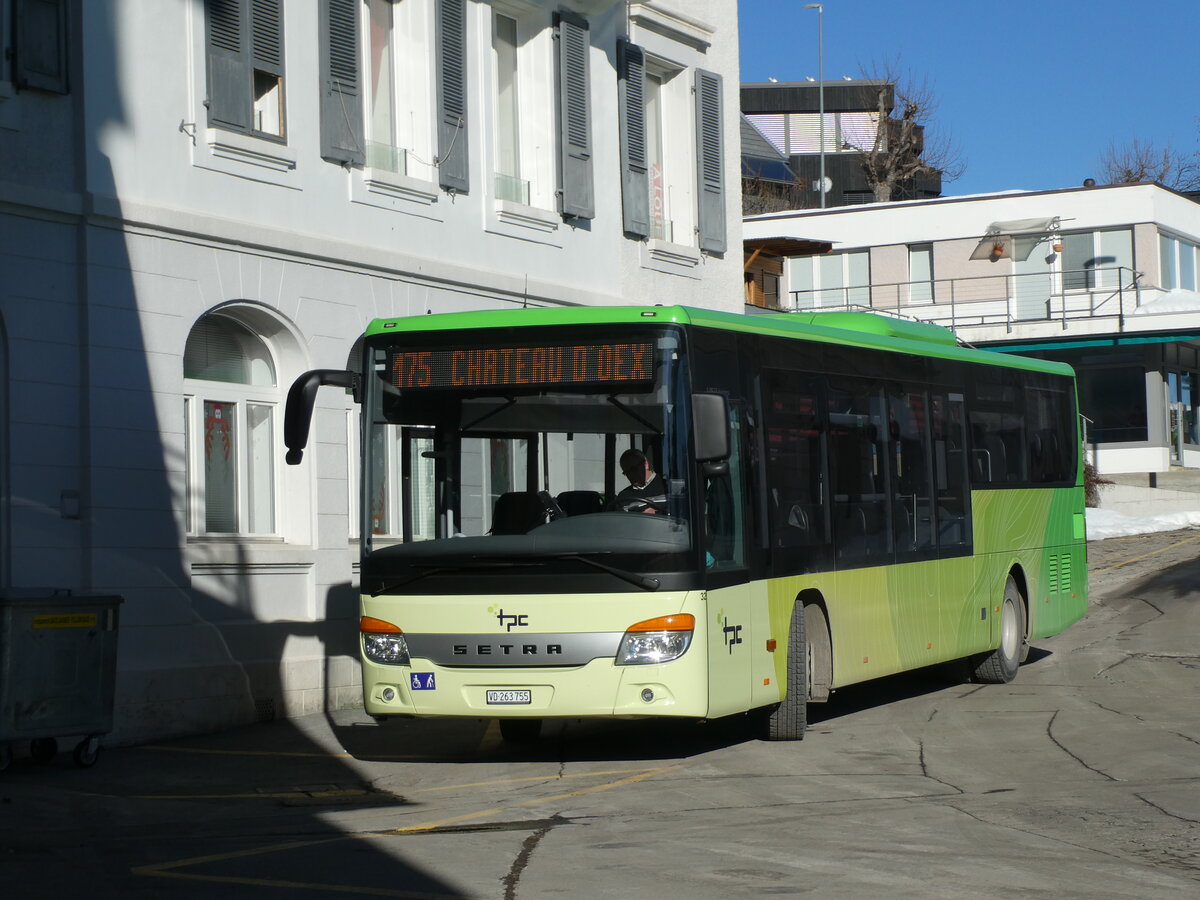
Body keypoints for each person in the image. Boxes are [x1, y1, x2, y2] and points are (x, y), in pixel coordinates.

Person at [612, 448, 666, 513]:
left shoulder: (667, 486)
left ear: (646, 464)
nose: (631, 475)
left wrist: (657, 513)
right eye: (627, 472)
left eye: (633, 469)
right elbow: (620, 521)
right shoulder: (623, 497)